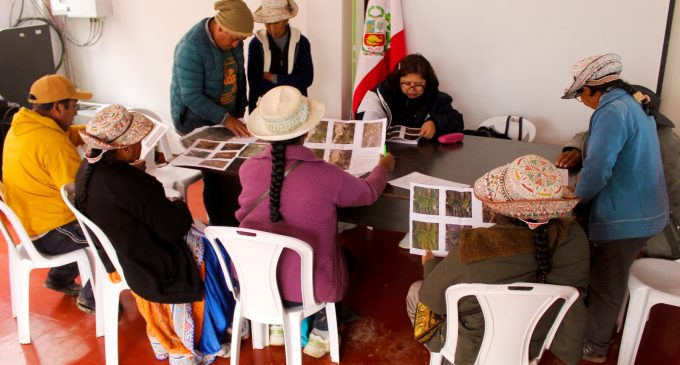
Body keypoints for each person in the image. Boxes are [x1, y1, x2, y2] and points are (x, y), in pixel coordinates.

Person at [236, 86, 395, 358]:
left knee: (287, 253)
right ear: (307, 132)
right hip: (310, 287)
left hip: (255, 282)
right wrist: (384, 167)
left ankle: (277, 326)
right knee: (346, 258)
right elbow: (367, 193)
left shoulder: (247, 169)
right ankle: (322, 331)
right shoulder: (325, 175)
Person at [75, 105, 235, 364]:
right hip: (148, 262)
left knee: (203, 235)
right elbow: (173, 228)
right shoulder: (130, 184)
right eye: (138, 143)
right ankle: (198, 337)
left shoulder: (89, 168)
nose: (142, 148)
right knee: (214, 249)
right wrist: (178, 204)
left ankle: (170, 334)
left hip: (121, 251)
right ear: (125, 150)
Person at [406, 154, 589, 365]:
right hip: (532, 342)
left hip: (474, 347)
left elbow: (432, 296)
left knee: (415, 292)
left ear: (502, 206)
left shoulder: (476, 248)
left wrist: (429, 263)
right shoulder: (575, 238)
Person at [560, 54, 668, 363]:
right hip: (643, 208)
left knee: (606, 280)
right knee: (607, 274)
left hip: (628, 216)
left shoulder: (611, 111)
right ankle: (600, 328)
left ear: (594, 88)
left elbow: (597, 168)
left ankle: (595, 346)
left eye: (581, 94)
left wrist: (574, 199)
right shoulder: (631, 102)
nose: (581, 101)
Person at [2, 74, 95, 313]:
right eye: (73, 106)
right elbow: (81, 192)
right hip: (51, 232)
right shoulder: (50, 142)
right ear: (57, 107)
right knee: (115, 230)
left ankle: (59, 278)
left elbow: (70, 134)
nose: (75, 112)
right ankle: (94, 296)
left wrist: (99, 131)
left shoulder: (25, 126)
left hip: (31, 225)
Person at [170, 0, 254, 226]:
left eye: (241, 40)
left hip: (225, 119)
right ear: (220, 27)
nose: (237, 43)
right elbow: (191, 96)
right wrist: (227, 119)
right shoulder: (190, 48)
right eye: (235, 38)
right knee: (215, 177)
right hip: (196, 123)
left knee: (234, 173)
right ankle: (220, 228)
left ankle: (233, 222)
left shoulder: (234, 40)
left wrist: (240, 110)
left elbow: (239, 75)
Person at [356, 54, 464, 139]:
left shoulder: (436, 98)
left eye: (418, 84)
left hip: (424, 158)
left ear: (427, 83)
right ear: (398, 80)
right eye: (406, 83)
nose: (412, 89)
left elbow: (458, 121)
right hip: (387, 155)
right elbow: (362, 118)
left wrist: (436, 123)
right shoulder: (384, 93)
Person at [247, 0, 313, 113]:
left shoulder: (301, 42)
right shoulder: (256, 44)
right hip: (263, 108)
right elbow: (255, 83)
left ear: (286, 19)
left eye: (276, 22)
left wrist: (274, 78)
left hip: (295, 107)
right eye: (268, 23)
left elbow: (307, 79)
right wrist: (291, 81)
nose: (272, 28)